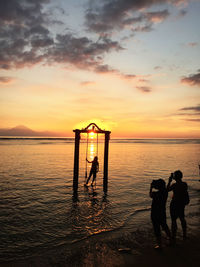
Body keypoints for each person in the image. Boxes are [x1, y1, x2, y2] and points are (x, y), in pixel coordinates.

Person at [167, 170, 189, 243]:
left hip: (174, 204)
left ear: (175, 177)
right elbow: (185, 193)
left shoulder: (174, 185)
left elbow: (166, 190)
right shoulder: (184, 184)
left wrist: (169, 181)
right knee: (182, 218)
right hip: (181, 203)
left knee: (174, 220)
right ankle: (184, 235)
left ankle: (173, 236)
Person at [150, 179, 171, 249]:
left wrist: (150, 188)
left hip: (155, 213)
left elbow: (150, 195)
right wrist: (169, 181)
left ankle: (160, 245)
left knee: (157, 229)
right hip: (162, 212)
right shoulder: (165, 192)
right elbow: (166, 188)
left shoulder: (156, 194)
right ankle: (171, 239)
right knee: (164, 226)